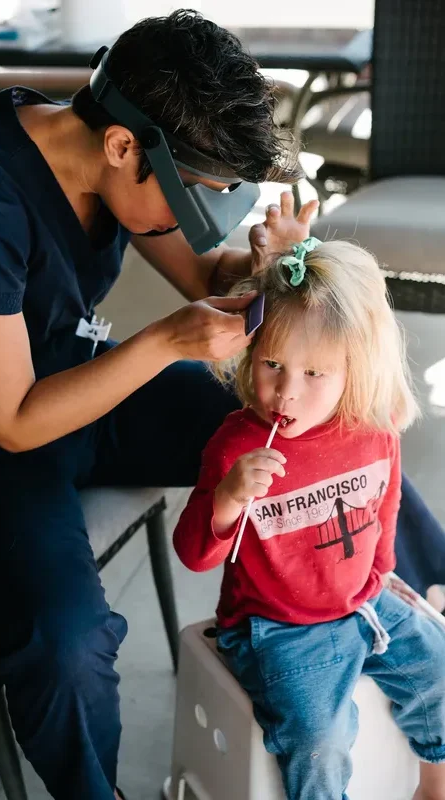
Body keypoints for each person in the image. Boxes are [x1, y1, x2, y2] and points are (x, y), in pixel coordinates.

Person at [0, 9, 442, 800]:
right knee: (67, 646)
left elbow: (207, 280)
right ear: (121, 148)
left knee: (336, 431)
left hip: (87, 386)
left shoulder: (107, 147)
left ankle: (427, 595)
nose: (192, 215)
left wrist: (266, 267)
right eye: (193, 194)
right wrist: (163, 345)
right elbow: (11, 417)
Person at [173, 237, 445, 800]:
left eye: (315, 373)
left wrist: (382, 575)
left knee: (440, 670)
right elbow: (195, 555)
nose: (286, 393)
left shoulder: (372, 431)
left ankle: (432, 787)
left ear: (355, 367)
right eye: (273, 364)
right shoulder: (235, 449)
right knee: (319, 739)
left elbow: (386, 506)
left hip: (364, 599)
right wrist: (227, 498)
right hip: (276, 625)